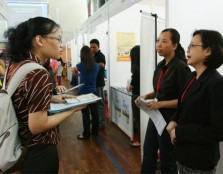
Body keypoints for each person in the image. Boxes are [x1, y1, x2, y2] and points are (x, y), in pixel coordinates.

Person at [4, 16, 85, 173]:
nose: (61, 46)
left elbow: (23, 98)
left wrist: (53, 97)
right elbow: (37, 126)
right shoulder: (38, 73)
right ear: (39, 40)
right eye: (58, 39)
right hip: (38, 150)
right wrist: (72, 109)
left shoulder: (16, 65)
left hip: (22, 146)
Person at [167, 29, 223, 174]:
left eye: (192, 46)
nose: (187, 50)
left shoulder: (216, 83)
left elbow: (218, 131)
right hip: (184, 153)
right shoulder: (192, 77)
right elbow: (183, 105)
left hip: (200, 160)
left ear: (208, 51)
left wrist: (179, 131)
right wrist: (174, 120)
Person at [135, 28, 191, 174]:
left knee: (167, 159)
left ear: (174, 46)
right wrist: (147, 96)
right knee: (148, 152)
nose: (159, 44)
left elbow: (184, 100)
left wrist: (159, 104)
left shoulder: (181, 68)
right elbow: (160, 90)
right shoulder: (161, 66)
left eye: (164, 41)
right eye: (158, 40)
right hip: (156, 117)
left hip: (170, 120)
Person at [73, 45, 99, 139]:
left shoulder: (80, 65)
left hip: (83, 92)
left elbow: (74, 70)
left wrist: (77, 73)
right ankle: (95, 132)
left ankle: (86, 134)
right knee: (94, 113)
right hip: (93, 92)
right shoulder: (96, 65)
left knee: (85, 114)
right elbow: (90, 74)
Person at [126, 45, 141, 147]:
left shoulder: (136, 70)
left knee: (138, 119)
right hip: (143, 95)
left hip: (136, 96)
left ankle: (140, 140)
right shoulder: (145, 67)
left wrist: (128, 85)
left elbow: (130, 87)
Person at [90, 39, 106, 129]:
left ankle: (101, 123)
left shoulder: (101, 56)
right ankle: (96, 119)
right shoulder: (92, 55)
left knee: (100, 103)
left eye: (94, 47)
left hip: (98, 83)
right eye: (91, 47)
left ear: (99, 47)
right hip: (92, 83)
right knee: (93, 102)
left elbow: (101, 65)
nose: (92, 49)